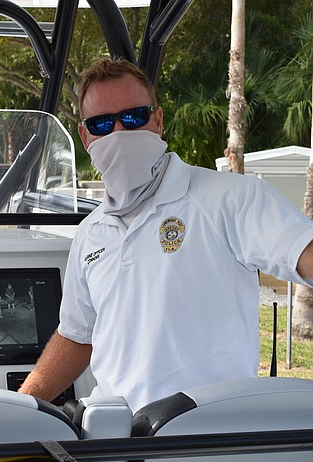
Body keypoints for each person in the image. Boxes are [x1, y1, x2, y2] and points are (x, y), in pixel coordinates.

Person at [19, 57, 313, 411]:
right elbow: (77, 338)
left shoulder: (230, 199)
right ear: (85, 137)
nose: (118, 132)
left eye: (132, 117)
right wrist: (18, 409)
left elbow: (303, 252)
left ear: (157, 120)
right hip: (114, 440)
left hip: (204, 439)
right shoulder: (89, 233)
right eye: (101, 123)